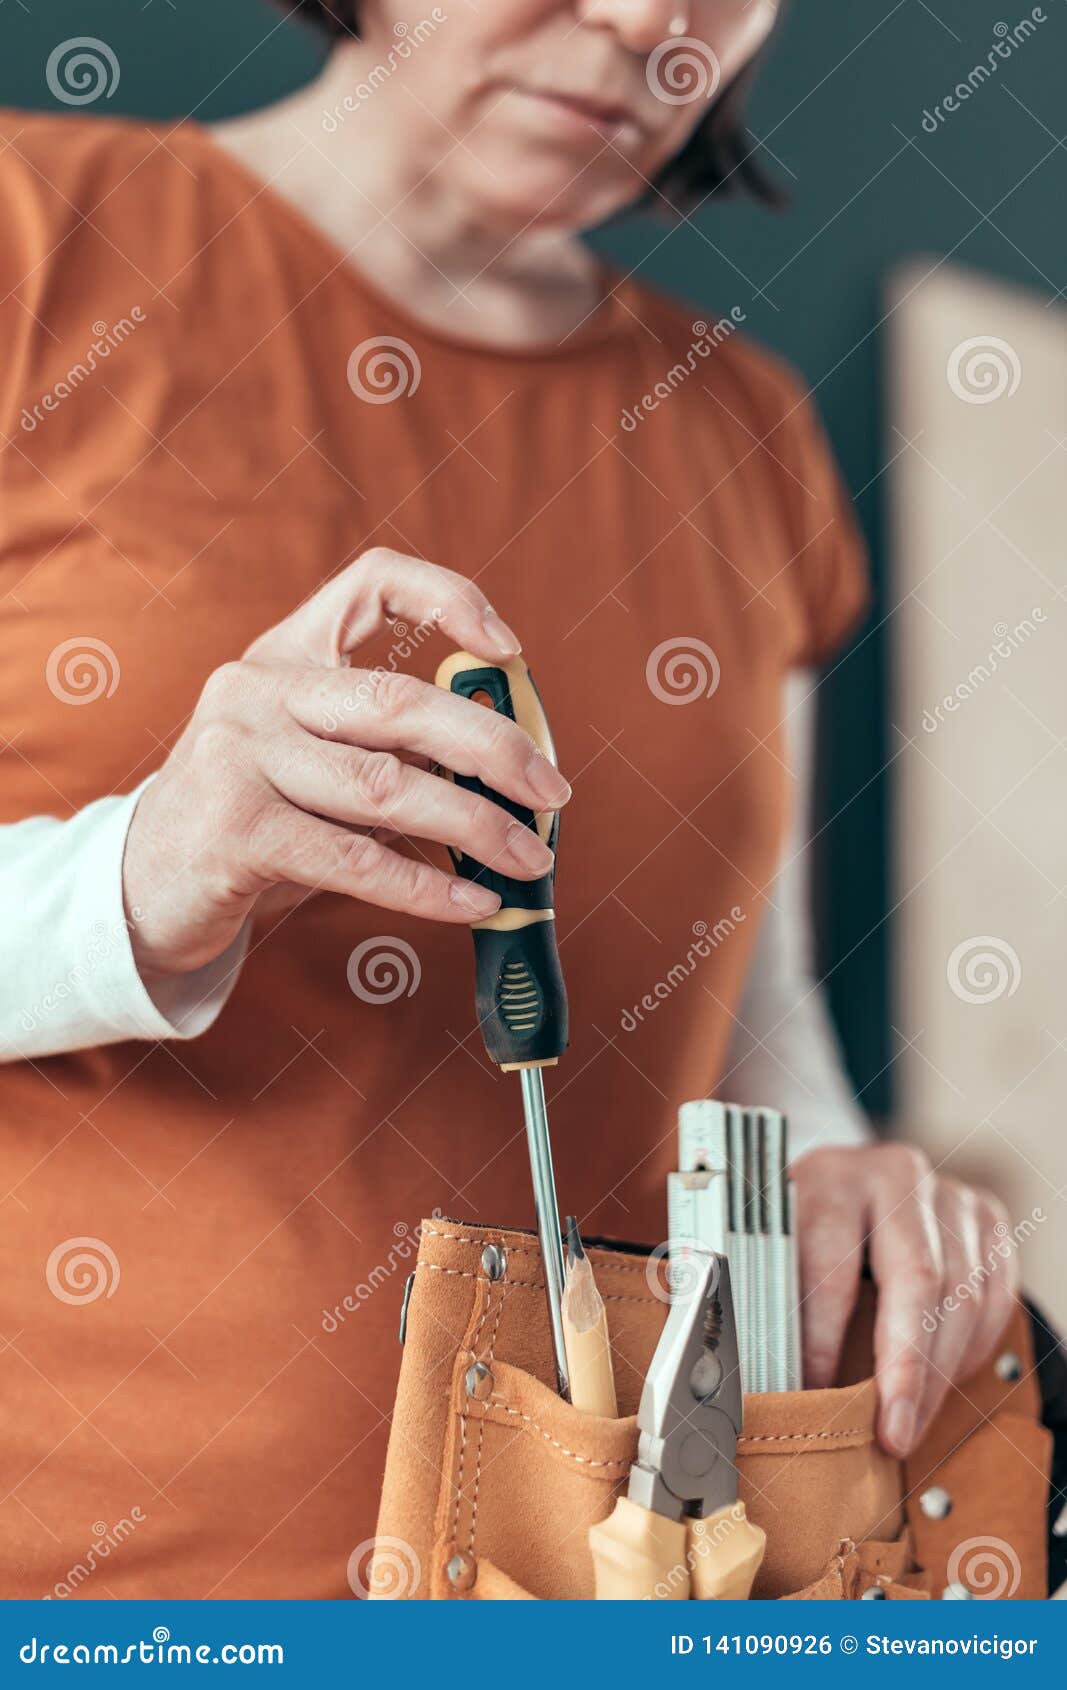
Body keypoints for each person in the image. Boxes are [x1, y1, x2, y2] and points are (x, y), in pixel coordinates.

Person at [0, 0, 1017, 1598]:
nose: (640, 21)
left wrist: (828, 1162)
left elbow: (745, 1008)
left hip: (575, 1601)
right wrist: (142, 875)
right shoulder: (30, 239)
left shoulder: (744, 436)